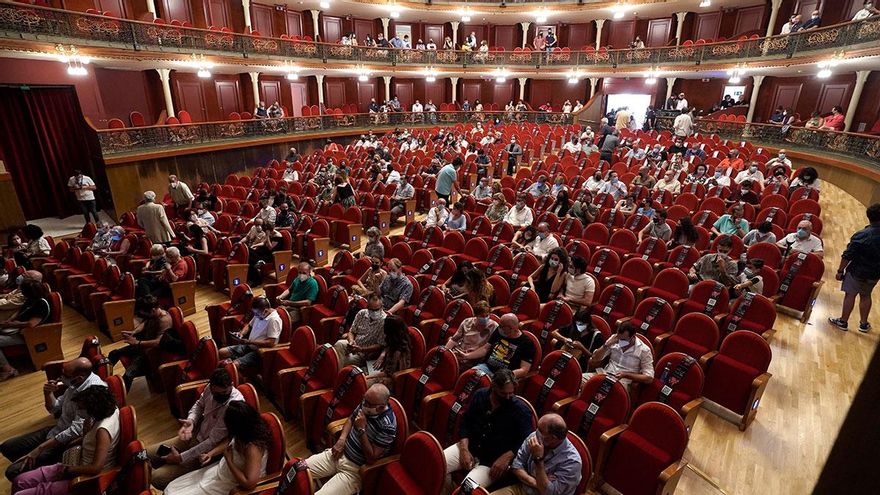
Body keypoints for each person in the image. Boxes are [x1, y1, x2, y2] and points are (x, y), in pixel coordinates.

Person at [11, 386, 120, 495]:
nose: (78, 411)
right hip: (78, 463)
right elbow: (90, 442)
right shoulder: (112, 408)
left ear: (93, 409)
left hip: (85, 479)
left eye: (81, 408)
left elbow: (96, 468)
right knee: (19, 481)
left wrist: (70, 470)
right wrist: (86, 432)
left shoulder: (102, 431)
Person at [147, 367, 244, 489]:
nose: (219, 397)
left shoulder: (234, 406)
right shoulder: (210, 388)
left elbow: (212, 442)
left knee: (157, 478)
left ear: (232, 385)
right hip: (195, 435)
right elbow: (199, 405)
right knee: (146, 454)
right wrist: (191, 420)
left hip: (207, 451)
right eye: (216, 394)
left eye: (223, 393)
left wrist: (181, 458)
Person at [443, 368, 533, 492]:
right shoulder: (480, 395)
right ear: (493, 386)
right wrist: (464, 449)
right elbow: (466, 423)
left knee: (465, 490)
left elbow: (527, 441)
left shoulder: (521, 411)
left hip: (491, 463)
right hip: (470, 447)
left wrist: (507, 457)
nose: (507, 397)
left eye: (511, 393)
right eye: (503, 393)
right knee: (437, 465)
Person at [303, 383, 396, 494]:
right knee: (298, 470)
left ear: (380, 407)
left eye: (368, 403)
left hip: (353, 470)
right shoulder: (366, 405)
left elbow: (371, 458)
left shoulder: (388, 425)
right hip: (338, 454)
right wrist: (341, 440)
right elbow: (351, 419)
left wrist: (361, 430)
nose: (364, 404)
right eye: (364, 399)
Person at [164, 401, 270, 494]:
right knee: (173, 487)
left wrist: (229, 460)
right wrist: (211, 453)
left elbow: (249, 483)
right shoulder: (243, 432)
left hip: (233, 484)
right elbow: (230, 441)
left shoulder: (252, 448)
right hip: (222, 471)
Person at [495, 413, 582, 495]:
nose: (536, 432)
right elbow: (516, 465)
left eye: (540, 430)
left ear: (553, 438)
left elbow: (548, 492)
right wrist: (536, 483)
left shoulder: (572, 462)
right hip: (521, 489)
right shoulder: (535, 437)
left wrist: (538, 459)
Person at [109, 295, 177, 390]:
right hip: (142, 346)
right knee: (113, 353)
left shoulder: (164, 321)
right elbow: (145, 323)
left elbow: (158, 342)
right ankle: (102, 379)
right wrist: (134, 332)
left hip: (150, 353)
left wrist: (137, 343)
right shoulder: (154, 314)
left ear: (153, 310)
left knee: (128, 375)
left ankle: (117, 401)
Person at [830, 203, 880, 332]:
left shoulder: (862, 235)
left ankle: (843, 321)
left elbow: (847, 255)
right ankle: (863, 324)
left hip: (857, 271)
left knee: (850, 295)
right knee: (866, 295)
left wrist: (840, 271)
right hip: (875, 273)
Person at [0, 279, 50, 380]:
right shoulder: (31, 299)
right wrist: (10, 320)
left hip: (27, 335)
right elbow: (19, 312)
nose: (21, 293)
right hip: (15, 328)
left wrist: (11, 325)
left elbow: (31, 324)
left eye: (23, 291)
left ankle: (9, 370)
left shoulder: (42, 304)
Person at [219, 296, 281, 372]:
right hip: (249, 345)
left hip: (259, 352)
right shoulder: (260, 313)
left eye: (257, 313)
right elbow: (249, 325)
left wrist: (250, 342)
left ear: (265, 311)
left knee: (234, 366)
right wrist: (241, 334)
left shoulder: (274, 320)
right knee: (221, 352)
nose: (256, 315)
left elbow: (271, 342)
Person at [586, 322, 654, 389]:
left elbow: (649, 378)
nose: (619, 341)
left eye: (623, 340)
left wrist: (626, 375)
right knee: (580, 380)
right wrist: (607, 345)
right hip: (604, 375)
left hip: (622, 383)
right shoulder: (614, 339)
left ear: (633, 337)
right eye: (618, 337)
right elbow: (595, 359)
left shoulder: (644, 350)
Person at [474, 314, 536, 379]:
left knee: (483, 388)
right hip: (486, 368)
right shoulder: (499, 331)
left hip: (504, 377)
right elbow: (485, 348)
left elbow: (524, 370)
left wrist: (505, 377)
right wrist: (465, 355)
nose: (499, 327)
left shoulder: (527, 343)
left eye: (502, 326)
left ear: (511, 328)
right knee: (469, 376)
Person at [335, 294, 386, 367]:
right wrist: (351, 341)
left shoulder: (385, 321)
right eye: (371, 309)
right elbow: (352, 331)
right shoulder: (362, 313)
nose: (374, 312)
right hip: (354, 344)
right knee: (339, 344)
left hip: (365, 353)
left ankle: (336, 372)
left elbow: (380, 345)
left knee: (343, 361)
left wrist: (361, 349)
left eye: (377, 309)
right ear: (367, 306)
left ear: (381, 307)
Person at [445, 301, 497, 368]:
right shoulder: (467, 322)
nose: (485, 318)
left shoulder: (494, 327)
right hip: (460, 351)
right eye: (482, 316)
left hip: (475, 357)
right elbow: (454, 339)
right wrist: (445, 351)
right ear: (476, 315)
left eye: (487, 315)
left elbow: (487, 349)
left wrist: (467, 356)